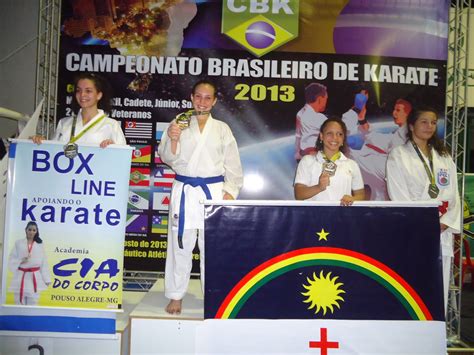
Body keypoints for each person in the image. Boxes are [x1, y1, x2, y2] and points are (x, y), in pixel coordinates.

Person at [157, 80, 243, 315]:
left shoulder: (222, 129)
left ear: (214, 101)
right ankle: (176, 294)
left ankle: (213, 295)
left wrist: (230, 191)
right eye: (198, 97)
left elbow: (233, 163)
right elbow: (166, 158)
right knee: (179, 244)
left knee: (212, 246)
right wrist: (173, 138)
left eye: (208, 98)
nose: (202, 102)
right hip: (184, 190)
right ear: (191, 97)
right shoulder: (178, 123)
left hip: (212, 192)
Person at [386, 106, 461, 312]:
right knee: (414, 283)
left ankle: (437, 332)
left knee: (441, 281)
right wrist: (425, 223)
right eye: (424, 122)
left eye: (434, 122)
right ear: (411, 126)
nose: (429, 126)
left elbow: (454, 195)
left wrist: (445, 222)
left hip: (442, 230)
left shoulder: (444, 156)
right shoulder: (399, 155)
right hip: (415, 229)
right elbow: (398, 195)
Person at [32, 72, 126, 147]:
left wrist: (112, 147)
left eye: (88, 91)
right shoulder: (64, 123)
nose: (82, 95)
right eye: (78, 90)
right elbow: (52, 151)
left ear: (99, 95)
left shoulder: (111, 125)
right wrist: (41, 142)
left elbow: (121, 158)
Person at [346, 98, 412, 200]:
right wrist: (362, 120)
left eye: (398, 110)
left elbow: (384, 143)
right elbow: (383, 140)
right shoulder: (399, 133)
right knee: (379, 195)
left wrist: (355, 111)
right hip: (390, 174)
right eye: (394, 109)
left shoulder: (408, 131)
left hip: (393, 171)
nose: (394, 113)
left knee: (349, 156)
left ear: (408, 114)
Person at [294, 117, 365, 206]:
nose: (335, 138)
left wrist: (352, 199)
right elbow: (298, 194)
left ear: (343, 139)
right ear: (321, 136)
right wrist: (319, 187)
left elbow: (361, 195)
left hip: (342, 217)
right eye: (329, 133)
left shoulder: (352, 164)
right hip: (314, 217)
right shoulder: (307, 161)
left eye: (339, 134)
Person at [8, 221, 51, 305]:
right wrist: (20, 260)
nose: (31, 232)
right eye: (29, 229)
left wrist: (46, 279)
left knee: (33, 300)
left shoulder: (39, 244)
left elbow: (43, 262)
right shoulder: (18, 243)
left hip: (34, 276)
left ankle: (31, 316)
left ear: (36, 231)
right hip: (21, 276)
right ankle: (19, 317)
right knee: (19, 300)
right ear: (26, 230)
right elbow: (11, 259)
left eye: (34, 230)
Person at [295, 83, 328, 160]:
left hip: (303, 157)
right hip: (315, 158)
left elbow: (298, 137)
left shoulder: (300, 113)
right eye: (326, 99)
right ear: (320, 99)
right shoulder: (320, 118)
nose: (326, 103)